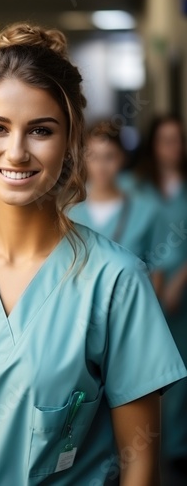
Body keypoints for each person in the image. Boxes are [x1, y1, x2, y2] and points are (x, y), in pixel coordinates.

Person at [0, 23, 186, 486]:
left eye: (41, 130)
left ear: (71, 141)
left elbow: (139, 460)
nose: (17, 151)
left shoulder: (115, 281)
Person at [137, 116, 187, 485]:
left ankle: (177, 453)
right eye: (164, 140)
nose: (172, 147)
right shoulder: (138, 190)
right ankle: (151, 450)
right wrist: (155, 285)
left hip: (182, 294)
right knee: (149, 376)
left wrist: (177, 282)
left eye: (177, 140)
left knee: (181, 375)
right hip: (146, 291)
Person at [67, 122, 165, 293]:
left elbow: (157, 271)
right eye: (94, 156)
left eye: (109, 156)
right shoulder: (68, 211)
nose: (101, 167)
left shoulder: (146, 211)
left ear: (122, 158)